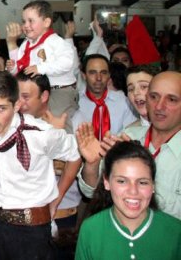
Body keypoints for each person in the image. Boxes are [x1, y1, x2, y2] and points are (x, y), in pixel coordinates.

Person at [0, 71, 80, 260]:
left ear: (16, 105)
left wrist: (57, 198)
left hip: (32, 230)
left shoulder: (41, 134)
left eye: (1, 108)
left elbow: (75, 154)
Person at [77, 71, 181, 219]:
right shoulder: (129, 135)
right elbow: (90, 191)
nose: (159, 106)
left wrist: (138, 170)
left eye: (171, 99)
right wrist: (92, 164)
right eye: (153, 97)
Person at [75, 141, 180, 260]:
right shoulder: (91, 229)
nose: (133, 191)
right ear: (107, 182)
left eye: (142, 182)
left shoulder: (175, 231)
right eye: (122, 181)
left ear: (153, 185)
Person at [8, 0, 79, 127]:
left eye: (31, 21)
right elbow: (24, 67)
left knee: (57, 123)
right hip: (39, 92)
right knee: (38, 124)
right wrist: (13, 68)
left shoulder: (56, 42)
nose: (26, 25)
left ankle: (66, 139)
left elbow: (67, 63)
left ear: (46, 22)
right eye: (24, 21)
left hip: (59, 91)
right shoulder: (26, 44)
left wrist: (41, 68)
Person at [72, 54, 136, 141]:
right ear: (84, 75)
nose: (98, 78)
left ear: (109, 75)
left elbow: (131, 134)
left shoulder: (123, 101)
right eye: (92, 72)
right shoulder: (74, 101)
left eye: (103, 73)